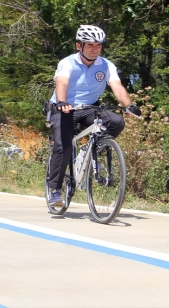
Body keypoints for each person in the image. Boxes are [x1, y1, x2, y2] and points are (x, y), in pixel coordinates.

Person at [46, 25, 141, 207]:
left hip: (90, 108)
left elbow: (117, 86)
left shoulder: (106, 65)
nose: (95, 48)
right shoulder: (67, 63)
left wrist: (128, 106)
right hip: (64, 107)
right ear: (78, 46)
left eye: (98, 45)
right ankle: (55, 190)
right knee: (63, 146)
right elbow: (62, 83)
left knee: (116, 121)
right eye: (90, 45)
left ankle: (91, 150)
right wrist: (62, 102)